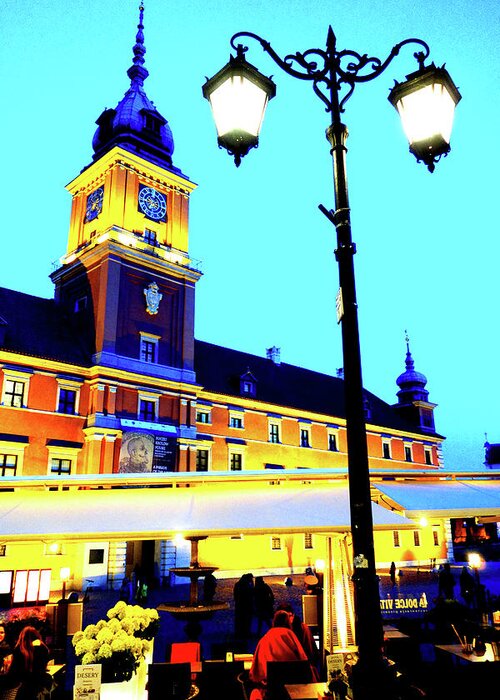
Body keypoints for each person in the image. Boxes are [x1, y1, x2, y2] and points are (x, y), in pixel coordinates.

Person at [249, 611, 311, 700]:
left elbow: (255, 673)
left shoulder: (266, 638)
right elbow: (304, 661)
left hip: (271, 692)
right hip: (294, 689)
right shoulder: (291, 635)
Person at [0, 626, 51, 700]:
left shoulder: (19, 650)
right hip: (37, 686)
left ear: (22, 637)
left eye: (2, 632)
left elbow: (13, 673)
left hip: (22, 689)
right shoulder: (43, 648)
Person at [275, 603, 319, 671]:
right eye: (285, 617)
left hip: (301, 667)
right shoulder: (277, 632)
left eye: (289, 616)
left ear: (293, 615)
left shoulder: (303, 628)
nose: (288, 620)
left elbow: (310, 651)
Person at [233, 573, 254, 642]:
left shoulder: (238, 584)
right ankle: (245, 633)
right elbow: (250, 595)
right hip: (245, 606)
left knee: (240, 620)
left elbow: (235, 596)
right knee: (245, 620)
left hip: (239, 606)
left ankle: (239, 633)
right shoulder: (246, 586)